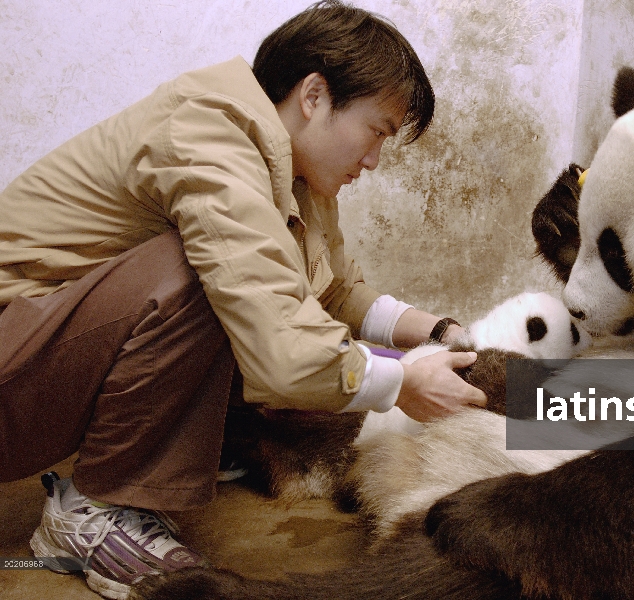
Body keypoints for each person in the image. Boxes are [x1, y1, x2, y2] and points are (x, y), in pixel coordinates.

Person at [0, 2, 487, 598]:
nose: (374, 159)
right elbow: (279, 342)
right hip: (12, 377)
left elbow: (331, 287)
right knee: (210, 279)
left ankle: (205, 442)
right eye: (376, 130)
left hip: (41, 360)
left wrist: (433, 331)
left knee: (305, 347)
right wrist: (402, 383)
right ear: (314, 96)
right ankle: (95, 512)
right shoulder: (208, 133)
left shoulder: (290, 168)